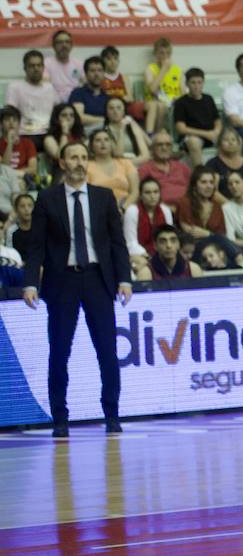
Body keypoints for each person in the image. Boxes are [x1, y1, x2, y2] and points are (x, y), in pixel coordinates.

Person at [22, 141, 132, 437]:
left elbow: (117, 243)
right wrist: (31, 282)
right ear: (62, 162)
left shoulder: (104, 197)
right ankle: (60, 418)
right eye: (74, 157)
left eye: (84, 157)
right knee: (59, 352)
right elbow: (36, 248)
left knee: (107, 352)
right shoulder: (47, 199)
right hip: (62, 281)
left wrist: (125, 278)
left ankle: (112, 414)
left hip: (98, 279)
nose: (80, 162)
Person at [171, 67, 221, 167]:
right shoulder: (181, 102)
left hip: (211, 134)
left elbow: (217, 120)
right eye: (193, 82)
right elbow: (181, 128)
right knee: (194, 142)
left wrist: (217, 131)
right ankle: (199, 175)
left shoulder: (209, 99)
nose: (196, 86)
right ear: (187, 84)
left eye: (199, 82)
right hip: (191, 136)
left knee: (234, 140)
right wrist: (206, 134)